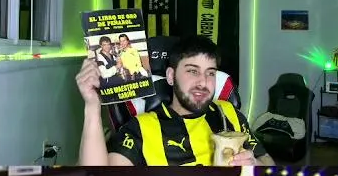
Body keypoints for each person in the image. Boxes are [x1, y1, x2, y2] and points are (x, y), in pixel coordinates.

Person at [75, 35, 275, 166]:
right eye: (192, 71)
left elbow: (266, 160)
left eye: (210, 73)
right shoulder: (141, 128)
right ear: (171, 76)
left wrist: (255, 166)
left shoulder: (229, 113)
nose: (203, 82)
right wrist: (92, 106)